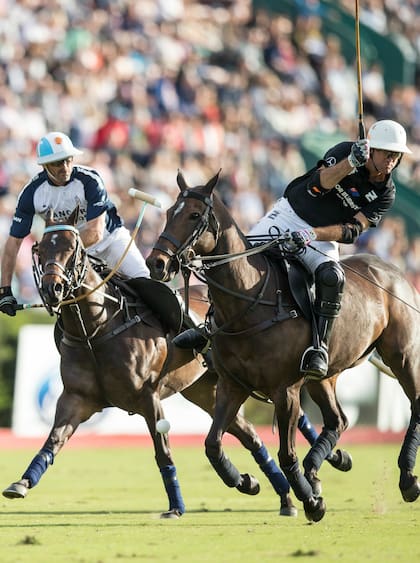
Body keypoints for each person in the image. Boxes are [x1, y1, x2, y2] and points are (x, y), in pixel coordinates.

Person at [173, 119, 411, 380]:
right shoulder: (346, 151)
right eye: (387, 153)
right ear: (372, 150)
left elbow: (352, 230)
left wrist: (312, 234)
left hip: (320, 235)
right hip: (290, 215)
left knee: (332, 277)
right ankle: (210, 326)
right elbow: (318, 186)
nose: (391, 160)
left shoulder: (386, 193)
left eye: (396, 156)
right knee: (238, 261)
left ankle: (318, 348)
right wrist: (350, 163)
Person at [0, 131, 150, 316]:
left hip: (110, 242)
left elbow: (95, 233)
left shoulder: (89, 180)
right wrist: (5, 289)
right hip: (72, 256)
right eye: (57, 163)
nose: (65, 167)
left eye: (68, 159)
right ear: (44, 165)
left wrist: (61, 252)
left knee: (147, 284)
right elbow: (13, 242)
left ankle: (179, 332)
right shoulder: (32, 193)